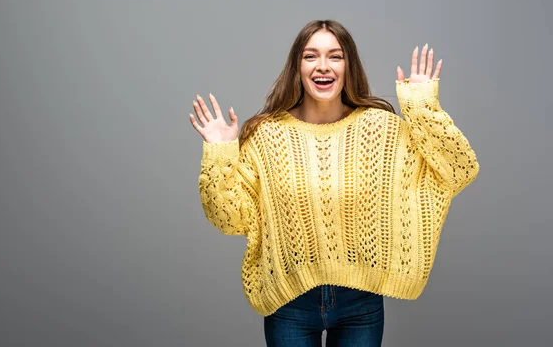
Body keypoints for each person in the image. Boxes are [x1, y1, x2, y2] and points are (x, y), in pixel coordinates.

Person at [189, 19, 479, 346]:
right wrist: (219, 152)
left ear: (348, 65)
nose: (323, 66)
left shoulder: (381, 129)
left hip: (361, 302)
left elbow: (458, 169)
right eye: (310, 56)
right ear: (296, 67)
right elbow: (229, 219)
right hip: (289, 299)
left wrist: (423, 106)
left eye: (335, 56)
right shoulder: (266, 136)